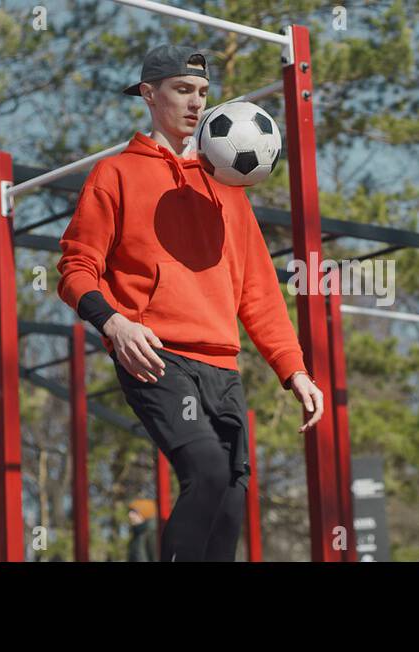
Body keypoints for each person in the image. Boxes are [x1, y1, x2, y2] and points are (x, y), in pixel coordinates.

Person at [57, 44, 324, 562]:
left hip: (223, 365)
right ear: (149, 95)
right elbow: (74, 268)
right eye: (182, 90)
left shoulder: (228, 185)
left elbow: (259, 293)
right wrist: (114, 324)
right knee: (205, 468)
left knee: (229, 500)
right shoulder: (115, 175)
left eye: (202, 92)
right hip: (155, 355)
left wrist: (296, 371)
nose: (196, 103)